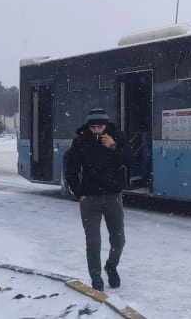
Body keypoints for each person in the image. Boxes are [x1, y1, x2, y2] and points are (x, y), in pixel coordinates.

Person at [65, 107, 130, 292]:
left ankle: (111, 266)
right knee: (93, 242)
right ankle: (96, 277)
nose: (97, 130)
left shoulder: (116, 137)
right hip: (90, 200)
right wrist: (79, 193)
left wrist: (114, 146)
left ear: (106, 124)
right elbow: (70, 169)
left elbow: (129, 160)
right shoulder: (80, 142)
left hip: (113, 197)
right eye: (93, 127)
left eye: (100, 126)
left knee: (119, 240)